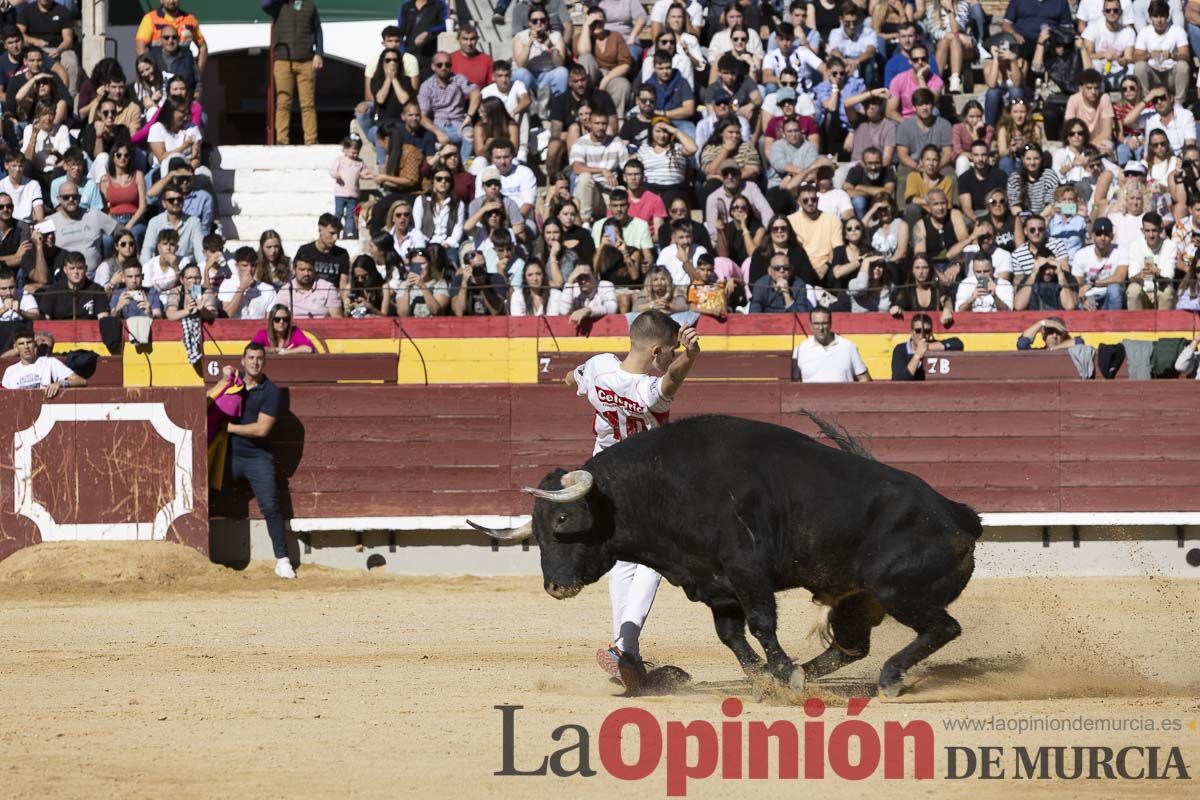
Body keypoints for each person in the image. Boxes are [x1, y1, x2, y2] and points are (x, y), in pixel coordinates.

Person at [565, 310, 701, 692]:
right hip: (646, 485)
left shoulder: (597, 367)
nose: (672, 357)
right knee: (655, 559)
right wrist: (691, 356)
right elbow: (672, 379)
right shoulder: (647, 393)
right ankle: (626, 645)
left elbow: (570, 379)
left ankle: (626, 649)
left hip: (604, 480)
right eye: (670, 350)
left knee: (623, 561)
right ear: (656, 351)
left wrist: (581, 379)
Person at [221, 344, 294, 579]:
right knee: (204, 493)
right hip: (228, 455)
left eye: (259, 358)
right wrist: (223, 381)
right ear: (242, 361)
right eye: (250, 358)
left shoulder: (271, 391)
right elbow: (206, 404)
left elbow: (262, 430)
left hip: (256, 456)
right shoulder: (232, 384)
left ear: (265, 362)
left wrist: (229, 428)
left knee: (271, 505)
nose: (255, 362)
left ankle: (283, 560)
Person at [1, 325, 85, 396]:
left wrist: (60, 383)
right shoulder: (10, 371)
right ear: (15, 347)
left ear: (34, 344)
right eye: (21, 344)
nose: (26, 347)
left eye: (29, 342)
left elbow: (81, 381)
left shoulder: (50, 362)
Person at [792, 306, 870, 382]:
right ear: (810, 325)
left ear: (830, 324)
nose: (820, 328)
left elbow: (864, 378)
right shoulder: (800, 349)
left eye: (824, 323)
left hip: (842, 395)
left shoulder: (848, 346)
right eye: (816, 324)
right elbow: (795, 383)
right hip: (810, 395)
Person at [1072, 217, 1129, 309]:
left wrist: (1093, 283)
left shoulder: (1121, 250)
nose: (1103, 238)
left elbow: (1119, 278)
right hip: (1090, 295)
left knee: (1114, 288)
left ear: (1112, 237)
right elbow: (1077, 284)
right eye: (1099, 234)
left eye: (1106, 234)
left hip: (1111, 296)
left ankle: (1115, 322)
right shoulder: (1081, 254)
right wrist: (1083, 300)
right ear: (1092, 236)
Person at [36, 251, 109, 320]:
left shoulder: (97, 290)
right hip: (60, 331)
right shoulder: (54, 291)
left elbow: (103, 318)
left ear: (86, 269)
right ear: (65, 270)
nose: (76, 272)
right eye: (72, 268)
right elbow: (44, 319)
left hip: (88, 331)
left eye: (80, 268)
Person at [891, 312, 965, 380]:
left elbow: (958, 344)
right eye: (918, 330)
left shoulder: (934, 345)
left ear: (930, 333)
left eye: (927, 331)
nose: (922, 335)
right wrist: (917, 356)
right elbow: (900, 379)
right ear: (911, 332)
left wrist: (928, 347)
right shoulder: (900, 350)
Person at [294, 213, 350, 298]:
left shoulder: (342, 254)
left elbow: (343, 286)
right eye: (332, 233)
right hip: (307, 298)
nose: (335, 238)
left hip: (332, 300)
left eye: (337, 234)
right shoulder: (305, 250)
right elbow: (297, 280)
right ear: (320, 230)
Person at [276, 255, 343, 318]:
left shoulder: (328, 288)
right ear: (294, 270)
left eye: (309, 270)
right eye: (302, 270)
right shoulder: (285, 290)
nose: (306, 274)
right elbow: (278, 318)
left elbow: (337, 319)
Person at [220, 247, 278, 320]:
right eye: (245, 265)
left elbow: (269, 321)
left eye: (253, 265)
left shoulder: (268, 290)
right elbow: (227, 314)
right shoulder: (228, 285)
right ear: (237, 266)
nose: (249, 269)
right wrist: (241, 289)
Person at [1016, 316, 1083, 350]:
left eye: (1058, 333)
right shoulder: (1039, 353)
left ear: (1063, 335)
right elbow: (1022, 344)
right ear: (1043, 335)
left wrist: (1052, 349)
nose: (1054, 336)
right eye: (1050, 332)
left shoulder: (1069, 352)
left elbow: (1078, 341)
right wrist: (1042, 323)